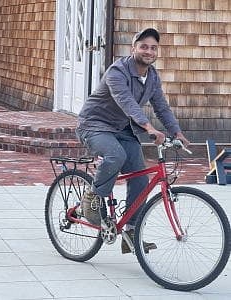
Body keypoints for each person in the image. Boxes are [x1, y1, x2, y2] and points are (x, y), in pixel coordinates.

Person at [76, 28, 189, 254]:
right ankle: (91, 199)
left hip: (122, 130)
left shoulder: (153, 77)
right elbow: (126, 102)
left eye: (153, 47)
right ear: (133, 48)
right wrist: (148, 127)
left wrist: (176, 132)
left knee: (141, 178)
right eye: (144, 46)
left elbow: (161, 107)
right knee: (115, 155)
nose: (149, 51)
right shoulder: (117, 71)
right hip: (94, 125)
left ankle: (131, 232)